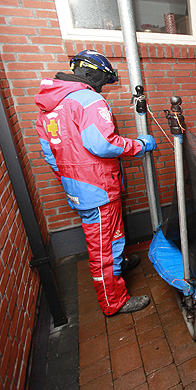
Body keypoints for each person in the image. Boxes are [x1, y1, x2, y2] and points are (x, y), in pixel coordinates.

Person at [35, 50, 157, 316]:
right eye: (104, 81)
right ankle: (114, 302)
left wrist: (72, 181)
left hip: (79, 186)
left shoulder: (49, 105)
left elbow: (50, 155)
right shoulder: (89, 100)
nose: (103, 87)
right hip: (98, 187)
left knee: (110, 235)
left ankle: (120, 265)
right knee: (103, 247)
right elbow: (102, 144)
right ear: (93, 73)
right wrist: (140, 145)